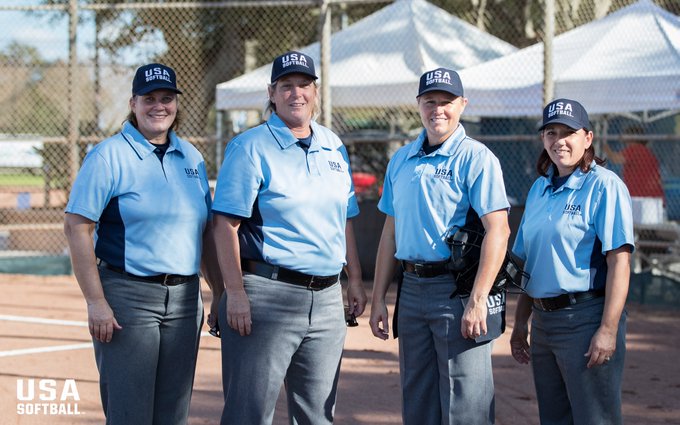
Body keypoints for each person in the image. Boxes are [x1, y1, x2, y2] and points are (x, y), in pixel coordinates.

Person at [212, 50, 367, 425]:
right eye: (286, 86)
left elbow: (344, 219)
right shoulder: (249, 147)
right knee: (248, 413)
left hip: (328, 299)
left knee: (318, 415)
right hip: (267, 294)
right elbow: (224, 226)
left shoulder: (333, 145)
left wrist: (356, 280)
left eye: (304, 85)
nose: (296, 93)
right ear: (272, 92)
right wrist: (233, 292)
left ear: (316, 91)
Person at [63, 63, 222, 424]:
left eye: (167, 98)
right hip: (127, 298)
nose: (159, 106)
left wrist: (220, 293)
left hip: (185, 301)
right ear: (133, 103)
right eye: (149, 98)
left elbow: (207, 232)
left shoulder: (192, 158)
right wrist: (96, 302)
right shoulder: (108, 155)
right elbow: (77, 226)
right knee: (130, 413)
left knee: (173, 413)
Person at [369, 68, 511, 425]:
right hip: (412, 289)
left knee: (466, 403)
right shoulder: (401, 159)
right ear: (418, 105)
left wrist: (478, 300)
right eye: (430, 101)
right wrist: (377, 299)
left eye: (446, 102)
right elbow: (390, 232)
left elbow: (499, 230)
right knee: (417, 396)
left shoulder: (477, 158)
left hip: (458, 290)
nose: (438, 110)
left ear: (462, 105)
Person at [510, 98, 634, 425]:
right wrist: (521, 322)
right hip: (544, 322)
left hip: (585, 318)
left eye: (569, 132)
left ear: (588, 138)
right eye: (551, 133)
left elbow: (620, 262)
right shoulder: (539, 189)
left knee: (595, 418)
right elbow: (530, 263)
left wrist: (607, 330)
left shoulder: (604, 186)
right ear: (543, 139)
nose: (559, 141)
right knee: (554, 418)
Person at [602, 124, 665, 223]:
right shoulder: (648, 152)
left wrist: (605, 148)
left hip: (639, 196)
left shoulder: (635, 148)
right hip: (652, 197)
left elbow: (616, 159)